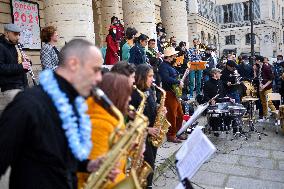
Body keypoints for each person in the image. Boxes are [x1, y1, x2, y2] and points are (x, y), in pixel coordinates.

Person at [0, 39, 118, 189]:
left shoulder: (73, 103)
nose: (99, 78)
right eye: (95, 70)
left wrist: (89, 165)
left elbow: (59, 157)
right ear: (74, 64)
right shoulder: (27, 104)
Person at [77, 72, 132, 189]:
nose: (130, 98)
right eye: (127, 94)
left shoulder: (110, 118)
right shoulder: (99, 124)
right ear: (116, 95)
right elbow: (95, 177)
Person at [130, 64, 160, 189]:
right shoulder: (134, 94)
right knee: (148, 164)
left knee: (151, 165)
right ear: (141, 77)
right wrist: (148, 129)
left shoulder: (149, 90)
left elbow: (152, 108)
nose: (152, 79)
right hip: (141, 135)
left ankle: (149, 185)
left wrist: (159, 110)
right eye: (150, 76)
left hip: (152, 133)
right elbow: (131, 121)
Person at [0, 23, 31, 111]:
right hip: (10, 86)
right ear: (6, 33)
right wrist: (21, 67)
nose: (18, 37)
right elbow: (1, 68)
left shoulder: (16, 45)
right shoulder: (1, 47)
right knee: (22, 111)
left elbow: (22, 65)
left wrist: (28, 62)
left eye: (19, 34)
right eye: (15, 34)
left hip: (23, 84)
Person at [159, 47, 186, 143]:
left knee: (180, 114)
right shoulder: (163, 66)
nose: (175, 57)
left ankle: (178, 132)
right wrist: (178, 81)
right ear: (169, 57)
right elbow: (165, 79)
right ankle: (171, 135)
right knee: (172, 115)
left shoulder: (170, 65)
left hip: (174, 93)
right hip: (169, 93)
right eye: (174, 56)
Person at [254, 56, 276, 121]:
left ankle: (278, 116)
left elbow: (271, 78)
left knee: (269, 102)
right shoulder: (259, 67)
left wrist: (264, 85)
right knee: (263, 102)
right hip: (261, 87)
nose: (255, 61)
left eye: (256, 60)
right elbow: (258, 77)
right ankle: (265, 116)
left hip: (267, 87)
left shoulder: (266, 67)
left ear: (259, 60)